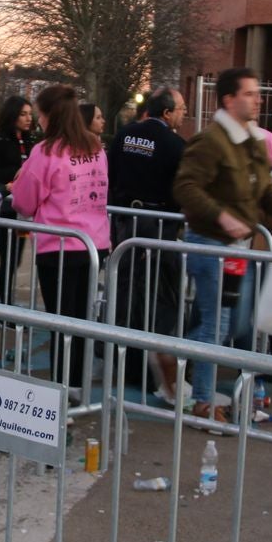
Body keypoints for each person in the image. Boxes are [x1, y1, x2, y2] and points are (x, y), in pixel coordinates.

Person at [173, 67, 272, 425]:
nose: (258, 99)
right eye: (249, 93)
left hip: (237, 247)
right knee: (219, 322)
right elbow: (185, 187)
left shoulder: (252, 141)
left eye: (258, 93)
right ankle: (200, 397)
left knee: (231, 323)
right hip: (210, 243)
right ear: (229, 99)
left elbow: (262, 189)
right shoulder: (210, 141)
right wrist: (221, 216)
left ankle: (173, 357)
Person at [12, 84, 109, 397]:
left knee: (60, 322)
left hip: (59, 246)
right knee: (81, 321)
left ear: (49, 115)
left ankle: (61, 389)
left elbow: (25, 202)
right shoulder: (95, 146)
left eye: (40, 113)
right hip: (93, 244)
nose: (38, 120)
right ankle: (77, 386)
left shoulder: (46, 152)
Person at [106, 87, 187, 397]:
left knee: (125, 291)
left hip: (124, 220)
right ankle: (150, 368)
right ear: (166, 113)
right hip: (158, 225)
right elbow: (180, 188)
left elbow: (111, 173)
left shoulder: (125, 134)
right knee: (158, 295)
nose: (184, 114)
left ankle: (124, 363)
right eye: (181, 109)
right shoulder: (175, 144)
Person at [0, 95, 35, 302]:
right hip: (5, 209)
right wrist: (19, 172)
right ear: (13, 114)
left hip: (22, 212)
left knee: (14, 259)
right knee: (9, 259)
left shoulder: (30, 142)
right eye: (23, 114)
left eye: (30, 114)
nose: (28, 118)